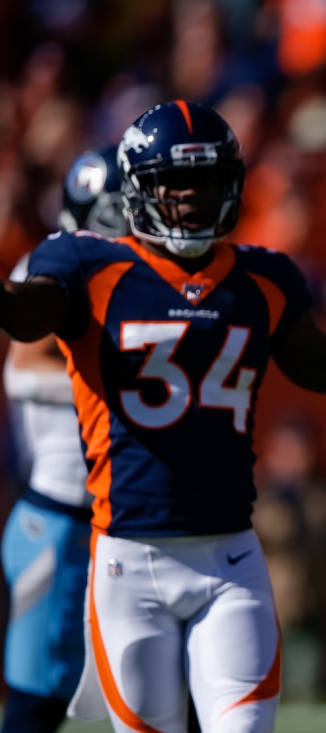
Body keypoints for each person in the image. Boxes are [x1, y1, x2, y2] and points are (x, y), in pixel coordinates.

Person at [0, 101, 326, 733]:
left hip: (229, 559)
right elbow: (24, 316)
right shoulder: (86, 266)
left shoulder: (262, 278)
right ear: (137, 191)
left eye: (205, 183)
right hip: (128, 560)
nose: (189, 200)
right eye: (172, 185)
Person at [1, 146, 125, 733]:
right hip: (61, 517)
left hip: (129, 520)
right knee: (37, 702)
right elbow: (21, 372)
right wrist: (123, 384)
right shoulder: (58, 265)